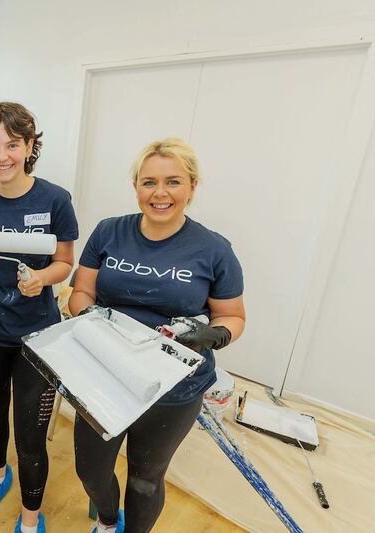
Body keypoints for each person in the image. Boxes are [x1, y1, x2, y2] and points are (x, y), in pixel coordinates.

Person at [68, 138, 246, 533]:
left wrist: (211, 335)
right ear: (135, 187)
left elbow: (233, 316)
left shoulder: (214, 249)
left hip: (175, 385)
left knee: (145, 480)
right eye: (148, 182)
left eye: (173, 182)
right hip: (106, 371)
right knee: (91, 471)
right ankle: (109, 521)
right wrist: (89, 314)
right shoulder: (109, 232)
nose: (160, 193)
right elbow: (80, 293)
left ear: (192, 187)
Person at [0, 102, 78, 533]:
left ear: (29, 146)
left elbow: (66, 263)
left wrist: (42, 278)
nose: (1, 155)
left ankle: (29, 518)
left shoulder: (55, 199)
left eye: (12, 144)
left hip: (37, 336)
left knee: (30, 432)